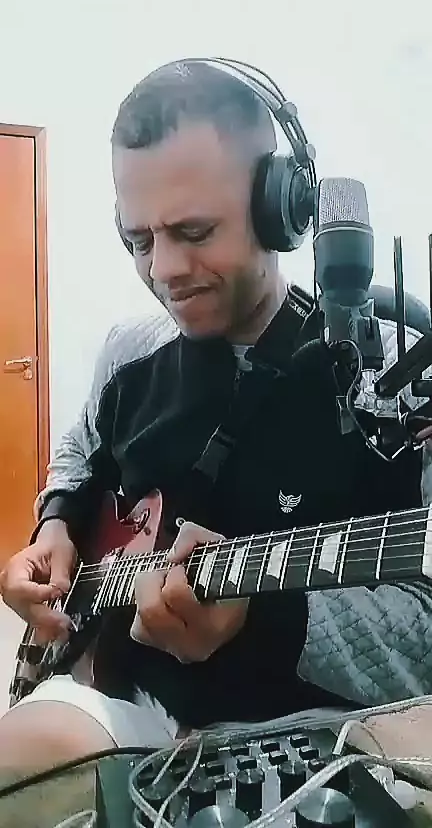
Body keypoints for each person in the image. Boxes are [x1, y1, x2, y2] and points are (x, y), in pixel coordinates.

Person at [1, 59, 432, 778]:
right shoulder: (128, 350)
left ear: (280, 210)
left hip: (317, 744)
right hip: (123, 697)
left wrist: (264, 621)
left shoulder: (394, 374)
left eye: (194, 231)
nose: (164, 269)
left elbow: (424, 642)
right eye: (139, 241)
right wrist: (55, 525)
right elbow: (80, 450)